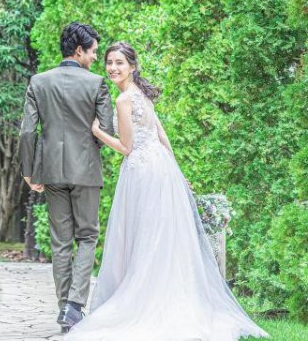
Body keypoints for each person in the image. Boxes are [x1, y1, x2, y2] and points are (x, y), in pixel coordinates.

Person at [65, 41, 270, 341]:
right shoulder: (141, 94)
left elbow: (126, 147)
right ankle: (168, 294)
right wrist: (177, 171)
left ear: (132, 66)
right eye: (109, 62)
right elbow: (161, 135)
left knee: (143, 236)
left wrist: (96, 131)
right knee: (161, 236)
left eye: (119, 62)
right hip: (161, 168)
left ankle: (146, 299)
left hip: (141, 172)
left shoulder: (124, 100)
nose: (112, 67)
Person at [19, 23, 127, 334]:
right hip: (86, 171)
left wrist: (28, 171)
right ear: (79, 50)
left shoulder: (38, 81)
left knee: (60, 241)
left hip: (51, 171)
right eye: (93, 52)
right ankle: (75, 305)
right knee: (88, 236)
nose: (95, 58)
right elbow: (105, 130)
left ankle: (64, 308)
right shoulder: (96, 84)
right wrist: (87, 152)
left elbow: (27, 132)